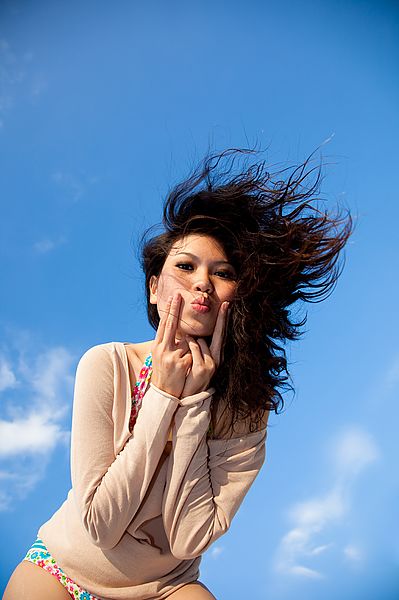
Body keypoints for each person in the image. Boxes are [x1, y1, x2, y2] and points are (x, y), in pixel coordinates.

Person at [3, 148, 352, 600]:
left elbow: (189, 538)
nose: (202, 282)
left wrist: (192, 404)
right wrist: (164, 396)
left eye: (222, 273)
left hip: (166, 587)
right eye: (185, 267)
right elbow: (101, 525)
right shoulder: (107, 363)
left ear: (236, 295)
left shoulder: (246, 406)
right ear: (154, 288)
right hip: (62, 570)